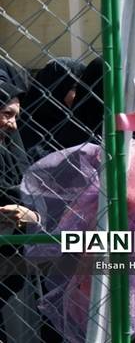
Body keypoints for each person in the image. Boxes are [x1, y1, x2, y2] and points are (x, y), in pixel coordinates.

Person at [0, 82, 40, 341]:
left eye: (16, 117)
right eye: (7, 114)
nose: (13, 125)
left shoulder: (10, 152)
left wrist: (31, 215)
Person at [20, 58, 85, 161]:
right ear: (54, 88)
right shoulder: (24, 129)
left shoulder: (81, 124)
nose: (82, 94)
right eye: (75, 87)